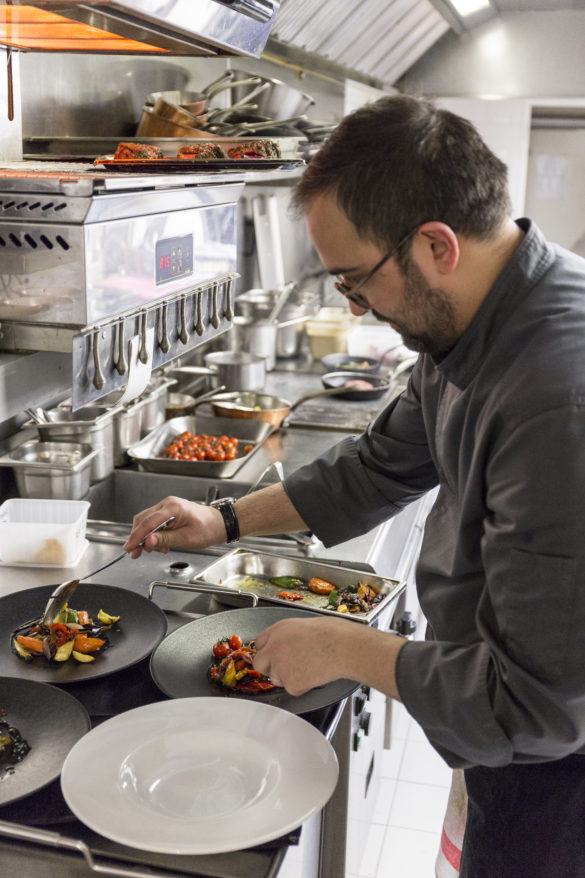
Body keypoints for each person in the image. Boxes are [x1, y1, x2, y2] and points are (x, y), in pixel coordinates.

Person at [125, 94, 585, 878]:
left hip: (560, 778)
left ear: (435, 245)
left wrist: (346, 647)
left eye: (355, 281)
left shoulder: (556, 399)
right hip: (505, 727)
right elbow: (380, 464)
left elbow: (537, 703)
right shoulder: (472, 318)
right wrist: (224, 520)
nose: (357, 308)